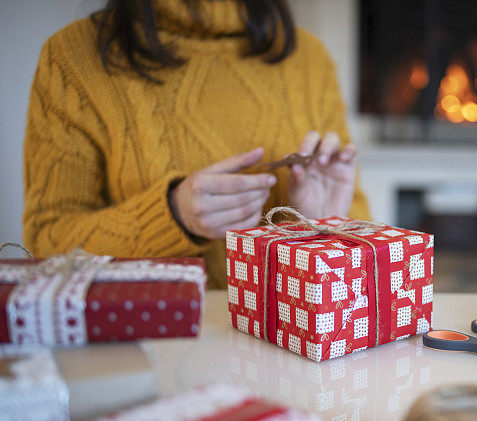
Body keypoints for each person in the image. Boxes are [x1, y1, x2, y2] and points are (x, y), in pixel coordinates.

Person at [22, 0, 370, 288]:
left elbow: (365, 258)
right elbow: (47, 243)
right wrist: (171, 217)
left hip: (287, 347)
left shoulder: (308, 57)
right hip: (144, 353)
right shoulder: (72, 57)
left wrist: (323, 225)